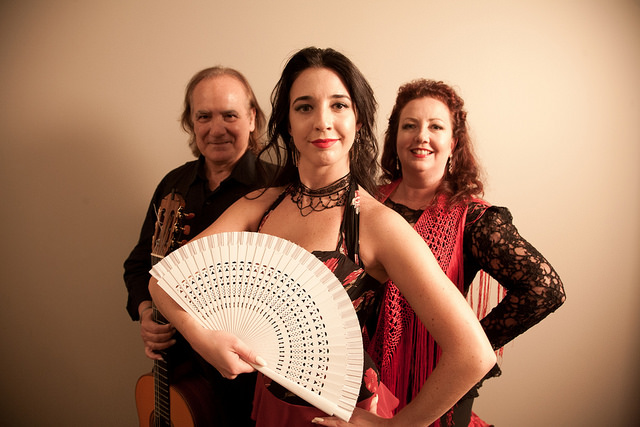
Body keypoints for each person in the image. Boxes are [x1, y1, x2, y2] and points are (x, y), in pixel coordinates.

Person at [149, 47, 497, 427]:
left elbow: (474, 354)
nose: (322, 122)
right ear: (286, 124)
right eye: (304, 107)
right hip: (266, 409)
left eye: (338, 105)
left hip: (342, 414)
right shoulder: (259, 206)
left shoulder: (378, 224)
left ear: (359, 119)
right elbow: (163, 281)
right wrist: (201, 338)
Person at [367, 79, 566, 426]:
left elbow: (545, 289)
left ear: (453, 143)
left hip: (432, 396)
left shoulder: (472, 219)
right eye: (409, 126)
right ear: (394, 138)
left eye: (436, 127)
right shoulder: (365, 202)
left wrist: (466, 344)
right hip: (358, 386)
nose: (421, 136)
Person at [124, 66, 274, 426]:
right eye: (203, 116)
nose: (216, 128)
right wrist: (147, 312)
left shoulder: (277, 187)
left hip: (248, 379)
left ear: (252, 118)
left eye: (230, 115)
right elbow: (139, 265)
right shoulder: (173, 184)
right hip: (177, 371)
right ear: (191, 122)